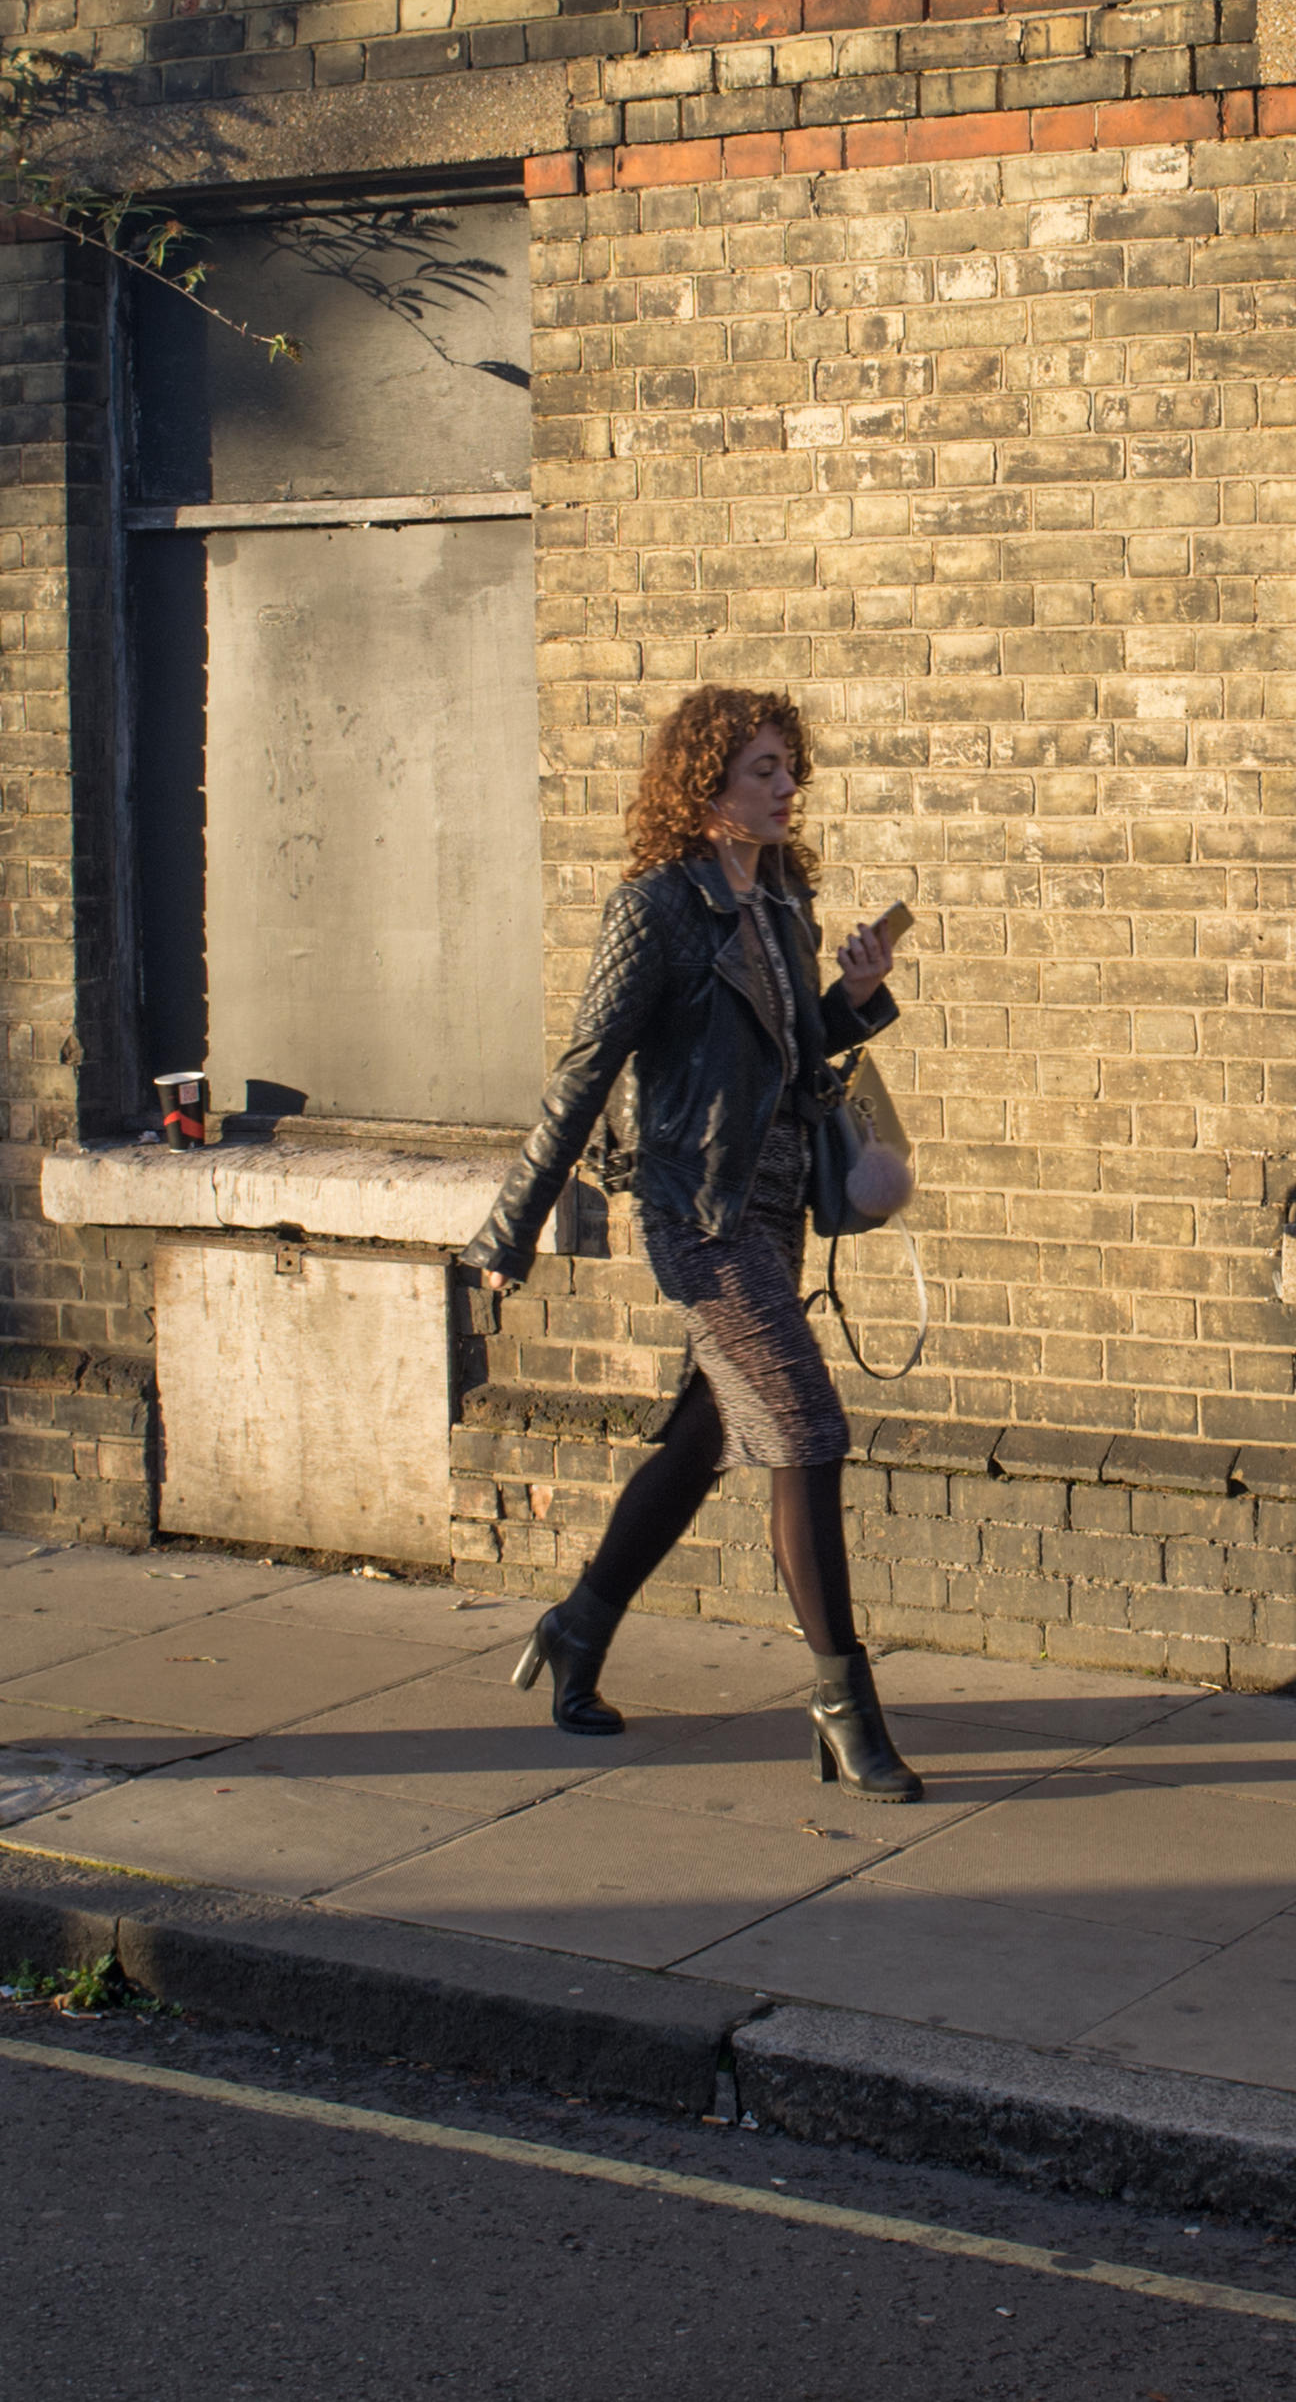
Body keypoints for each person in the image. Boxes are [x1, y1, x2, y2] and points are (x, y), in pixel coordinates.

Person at [462, 686, 922, 1800]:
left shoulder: (783, 897)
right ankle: (842, 1702)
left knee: (704, 1437)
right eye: (763, 768)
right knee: (806, 1426)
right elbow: (585, 1071)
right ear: (703, 781)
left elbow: (804, 1058)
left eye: (789, 767)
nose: (785, 786)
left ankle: (578, 1629)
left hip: (771, 1207)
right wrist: (510, 1224)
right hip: (697, 1215)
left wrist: (855, 996)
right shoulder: (657, 908)